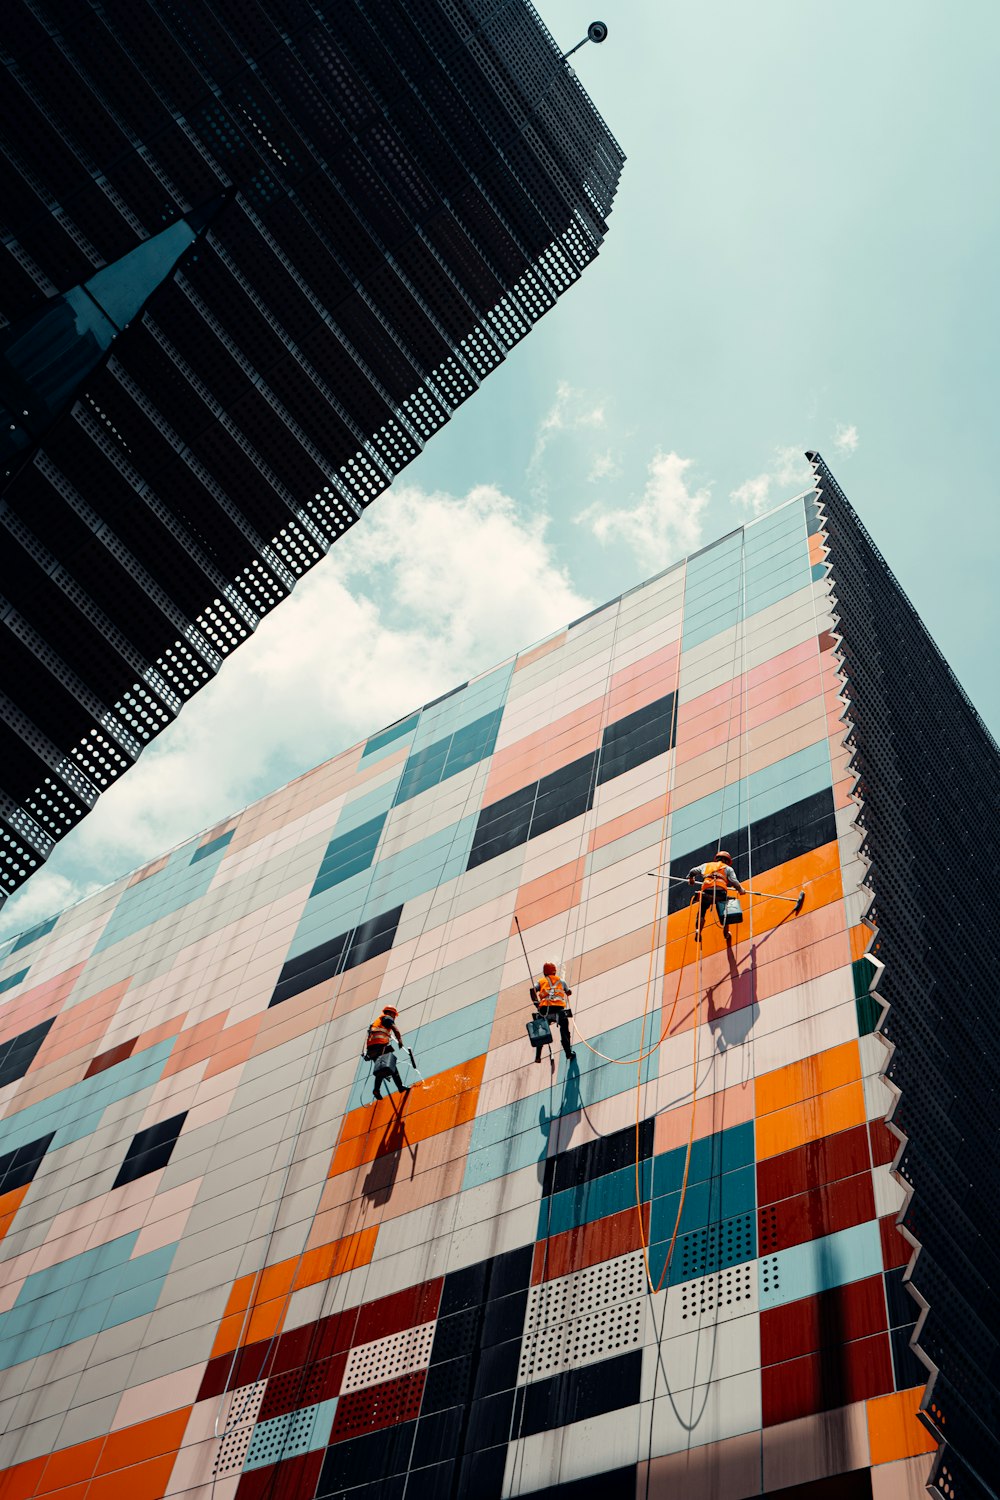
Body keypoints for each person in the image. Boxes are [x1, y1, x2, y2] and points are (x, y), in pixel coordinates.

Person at [688, 852, 745, 942]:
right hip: (720, 894)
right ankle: (726, 933)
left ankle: (698, 930)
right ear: (726, 861)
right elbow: (734, 881)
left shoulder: (706, 865)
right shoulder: (728, 868)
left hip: (707, 893)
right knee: (726, 911)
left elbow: (692, 871)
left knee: (702, 911)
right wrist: (741, 890)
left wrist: (691, 879)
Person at [530, 962, 575, 1062]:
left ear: (544, 972)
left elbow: (532, 990)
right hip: (558, 1008)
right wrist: (568, 992)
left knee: (540, 1031)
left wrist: (536, 1004)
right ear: (554, 971)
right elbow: (568, 992)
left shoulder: (541, 981)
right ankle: (568, 1053)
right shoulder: (561, 981)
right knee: (564, 1030)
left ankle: (538, 1056)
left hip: (544, 1009)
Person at [364, 1005, 406, 1099]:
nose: (394, 1017)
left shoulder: (377, 1022)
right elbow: (396, 1030)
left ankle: (377, 1090)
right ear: (390, 1012)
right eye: (394, 1014)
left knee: (382, 1069)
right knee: (390, 1067)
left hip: (372, 1050)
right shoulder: (387, 1018)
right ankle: (400, 1087)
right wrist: (400, 1041)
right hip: (379, 1047)